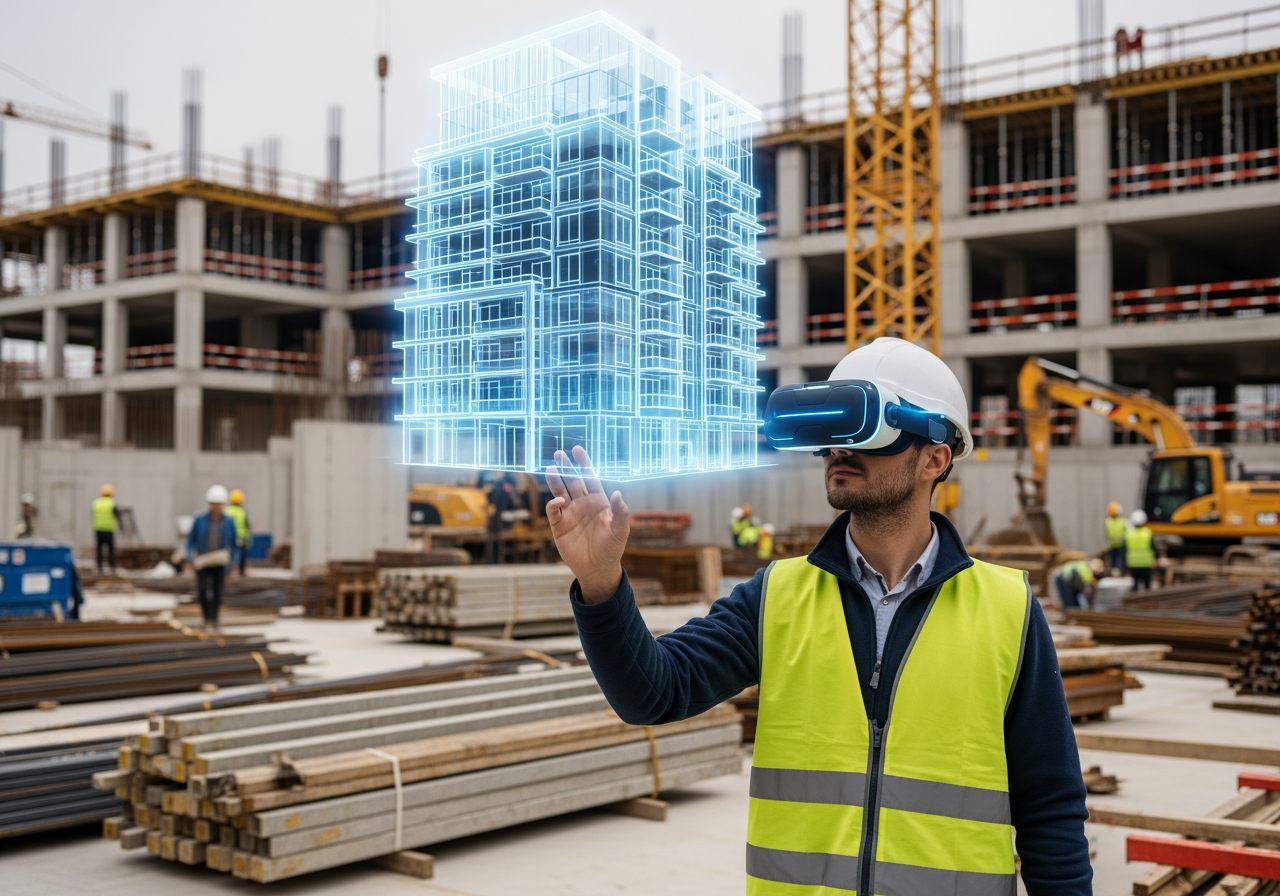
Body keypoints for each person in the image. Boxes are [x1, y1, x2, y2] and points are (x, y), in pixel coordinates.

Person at [544, 337, 1091, 895]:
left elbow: (1051, 811)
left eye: (865, 430)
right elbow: (652, 694)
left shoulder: (1007, 610)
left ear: (934, 457)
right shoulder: (777, 597)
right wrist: (600, 580)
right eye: (830, 435)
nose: (838, 449)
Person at [187, 485, 237, 628]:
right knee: (203, 590)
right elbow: (191, 541)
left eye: (218, 503)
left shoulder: (228, 521)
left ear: (222, 504)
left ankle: (214, 619)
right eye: (213, 503)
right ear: (209, 503)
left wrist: (233, 560)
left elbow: (233, 542)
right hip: (203, 561)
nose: (216, 506)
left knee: (217, 591)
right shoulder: (200, 519)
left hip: (219, 562)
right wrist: (191, 557)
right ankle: (206, 617)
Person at [1126, 509, 1156, 591]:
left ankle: (1134, 603)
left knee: (1135, 586)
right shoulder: (1147, 532)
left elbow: (1125, 550)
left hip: (1133, 565)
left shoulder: (1129, 533)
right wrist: (1157, 558)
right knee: (1147, 587)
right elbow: (1153, 547)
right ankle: (1148, 603)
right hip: (1146, 565)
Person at [224, 489, 252, 577]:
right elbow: (247, 525)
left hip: (228, 537)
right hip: (241, 537)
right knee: (242, 557)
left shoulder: (227, 510)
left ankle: (227, 573)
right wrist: (248, 539)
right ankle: (242, 573)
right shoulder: (242, 511)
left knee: (229, 555)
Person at [92, 484, 119, 573]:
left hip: (98, 529)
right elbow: (116, 515)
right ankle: (112, 567)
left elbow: (92, 515)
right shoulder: (112, 503)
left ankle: (99, 567)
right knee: (110, 549)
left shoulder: (96, 503)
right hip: (108, 530)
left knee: (99, 549)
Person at [1105, 501, 1127, 575]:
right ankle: (1120, 573)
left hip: (1112, 545)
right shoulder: (1123, 521)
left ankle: (1114, 573)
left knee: (1114, 561)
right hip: (1120, 545)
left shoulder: (1108, 522)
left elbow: (1107, 534)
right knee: (1119, 561)